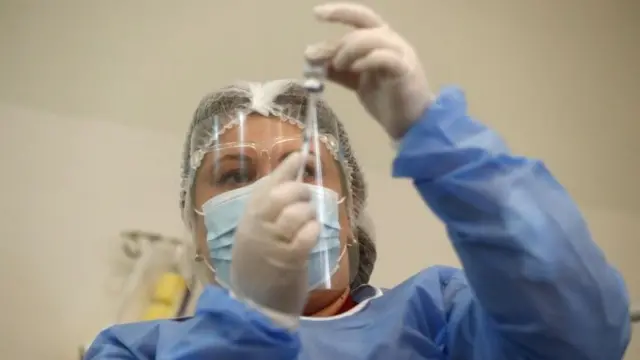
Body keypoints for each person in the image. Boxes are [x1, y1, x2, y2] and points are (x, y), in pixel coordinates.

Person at [85, 3, 631, 359]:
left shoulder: (440, 315)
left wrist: (436, 138)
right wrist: (249, 324)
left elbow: (580, 338)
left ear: (350, 214)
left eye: (303, 168)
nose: (279, 193)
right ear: (195, 226)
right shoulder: (135, 350)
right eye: (235, 175)